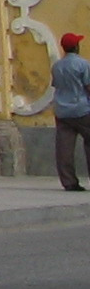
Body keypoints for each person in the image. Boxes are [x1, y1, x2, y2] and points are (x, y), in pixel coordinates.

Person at [55, 32, 90, 193]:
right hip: (82, 110)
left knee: (64, 148)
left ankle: (69, 182)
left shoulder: (56, 66)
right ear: (76, 47)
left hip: (62, 111)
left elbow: (56, 85)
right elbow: (88, 86)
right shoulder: (83, 64)